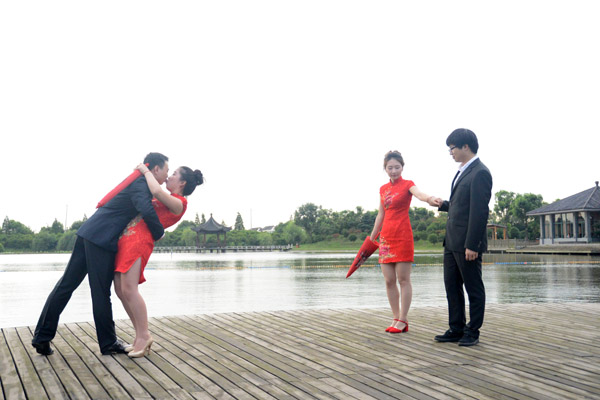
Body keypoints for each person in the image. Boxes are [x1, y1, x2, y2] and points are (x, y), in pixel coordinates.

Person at [31, 152, 168, 356]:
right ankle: (108, 342)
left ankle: (41, 337)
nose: (167, 176)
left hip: (89, 232)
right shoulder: (140, 184)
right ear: (156, 169)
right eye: (166, 170)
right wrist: (159, 233)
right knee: (101, 292)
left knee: (66, 285)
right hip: (101, 239)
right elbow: (146, 210)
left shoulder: (137, 182)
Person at [114, 163, 203, 358]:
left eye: (174, 174)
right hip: (127, 239)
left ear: (182, 183)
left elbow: (155, 189)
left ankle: (144, 336)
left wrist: (146, 170)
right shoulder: (166, 197)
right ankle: (139, 336)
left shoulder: (179, 203)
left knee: (129, 289)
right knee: (120, 290)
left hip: (139, 241)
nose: (169, 176)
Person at [370, 151, 440, 333]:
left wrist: (430, 199)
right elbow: (381, 214)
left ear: (402, 167)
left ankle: (403, 319)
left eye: (397, 167)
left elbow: (420, 194)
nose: (394, 171)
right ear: (385, 169)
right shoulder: (383, 189)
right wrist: (372, 237)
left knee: (403, 279)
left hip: (403, 236)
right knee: (389, 280)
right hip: (386, 238)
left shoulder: (408, 184)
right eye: (390, 167)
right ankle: (395, 317)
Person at [434, 128, 492, 347]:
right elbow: (462, 206)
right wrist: (444, 205)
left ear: (465, 146)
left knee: (473, 287)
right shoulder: (462, 171)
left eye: (452, 148)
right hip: (452, 241)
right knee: (452, 286)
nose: (451, 153)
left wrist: (472, 245)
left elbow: (479, 212)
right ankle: (456, 328)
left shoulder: (480, 172)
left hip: (467, 243)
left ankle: (473, 331)